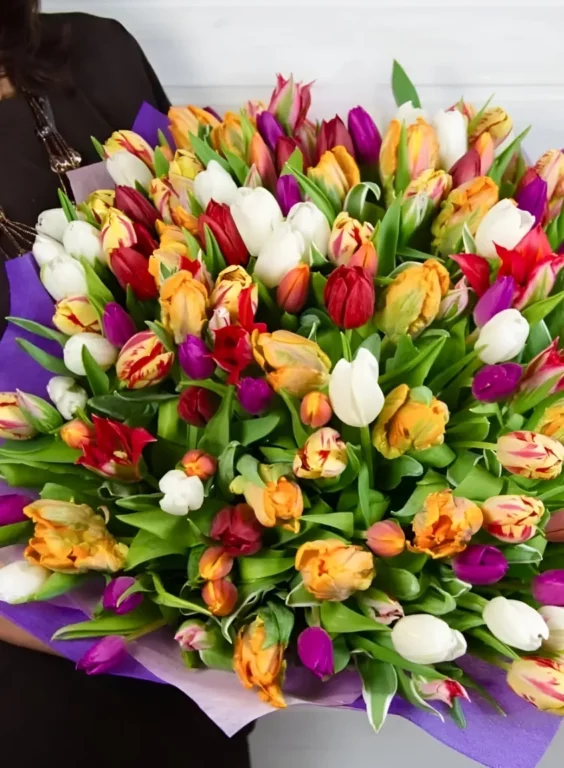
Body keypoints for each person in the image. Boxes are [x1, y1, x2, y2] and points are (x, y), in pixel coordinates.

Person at [0, 6, 252, 766]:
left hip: (192, 616)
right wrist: (90, 623)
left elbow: (215, 278)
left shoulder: (93, 54)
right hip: (33, 650)